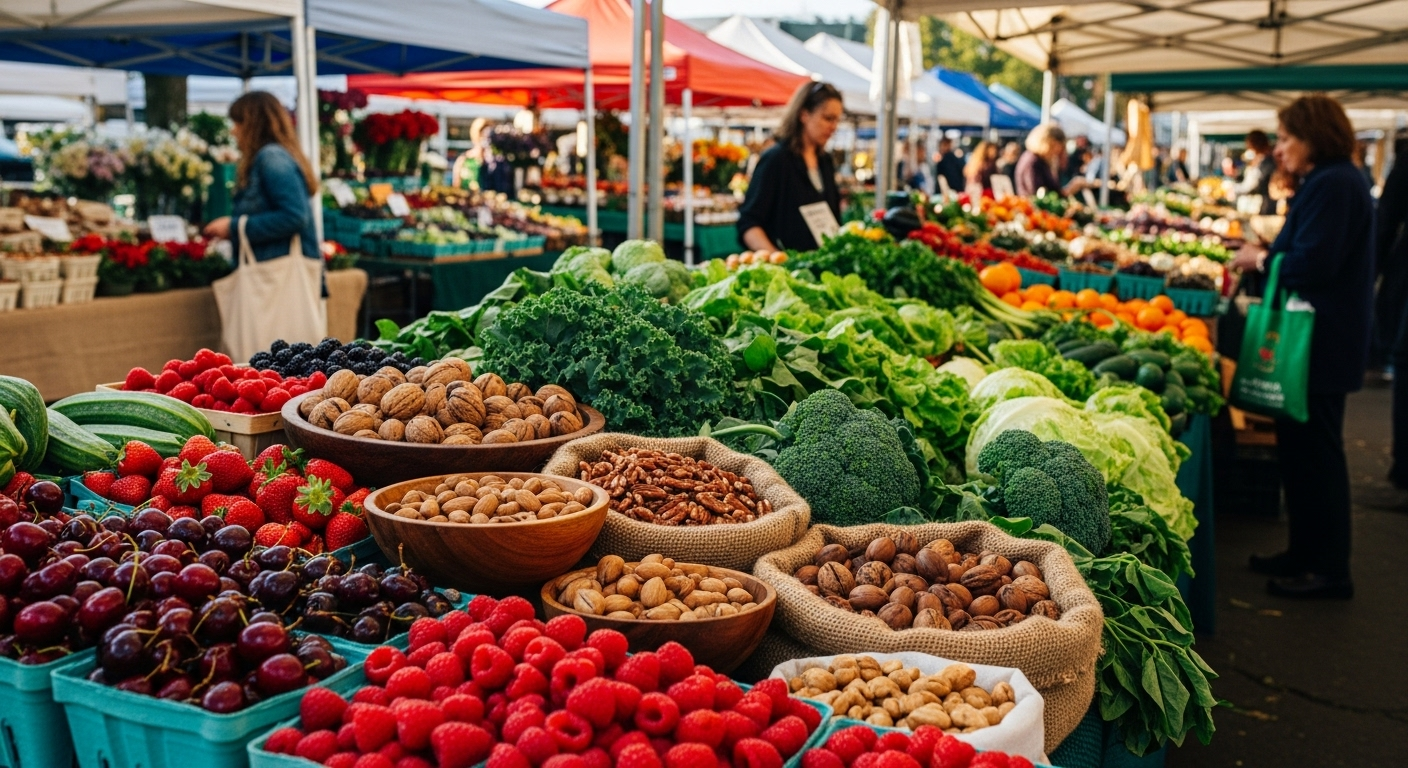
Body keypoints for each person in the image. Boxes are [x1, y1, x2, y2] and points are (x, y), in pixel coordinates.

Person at [1230, 95, 1374, 600]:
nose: (1281, 148)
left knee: (1318, 455)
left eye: (1288, 138)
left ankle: (1330, 570)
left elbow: (1315, 263)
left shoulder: (1336, 183)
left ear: (1315, 136)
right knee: (1300, 451)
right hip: (1318, 339)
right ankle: (1304, 552)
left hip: (1321, 343)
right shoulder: (1332, 180)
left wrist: (1263, 260)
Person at [202, 91, 319, 263]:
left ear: (253, 125)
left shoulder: (272, 158)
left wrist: (233, 227)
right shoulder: (270, 157)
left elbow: (295, 216)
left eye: (237, 123)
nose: (233, 131)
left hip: (279, 276)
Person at [737, 81, 843, 252]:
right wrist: (779, 262)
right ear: (804, 115)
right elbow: (749, 223)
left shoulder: (825, 161)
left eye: (837, 120)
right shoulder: (776, 159)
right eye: (828, 118)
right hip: (788, 271)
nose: (834, 127)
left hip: (820, 268)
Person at [1015, 123, 1082, 197]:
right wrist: (1068, 191)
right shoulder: (1033, 161)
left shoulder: (1039, 160)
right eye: (1053, 147)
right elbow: (1037, 194)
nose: (1054, 153)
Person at [1235, 130, 1278, 214]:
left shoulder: (1268, 162)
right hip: (1261, 204)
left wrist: (1234, 188)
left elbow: (1254, 184)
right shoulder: (1262, 160)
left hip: (1265, 205)